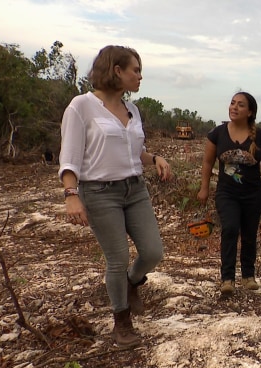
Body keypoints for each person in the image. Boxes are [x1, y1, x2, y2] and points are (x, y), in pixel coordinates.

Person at [58, 45, 173, 347]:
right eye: (135, 70)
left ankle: (132, 283)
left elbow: (133, 149)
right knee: (117, 258)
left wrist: (154, 158)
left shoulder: (132, 110)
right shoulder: (81, 106)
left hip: (135, 189)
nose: (140, 76)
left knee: (153, 252)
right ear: (117, 71)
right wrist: (71, 194)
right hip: (99, 192)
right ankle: (122, 322)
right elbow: (69, 157)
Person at [197, 91, 261, 295]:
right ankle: (227, 279)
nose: (234, 107)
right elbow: (207, 162)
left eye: (241, 105)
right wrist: (204, 187)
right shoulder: (218, 133)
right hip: (227, 193)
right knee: (230, 229)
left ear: (250, 112)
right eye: (232, 103)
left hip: (253, 194)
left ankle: (248, 275)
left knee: (249, 234)